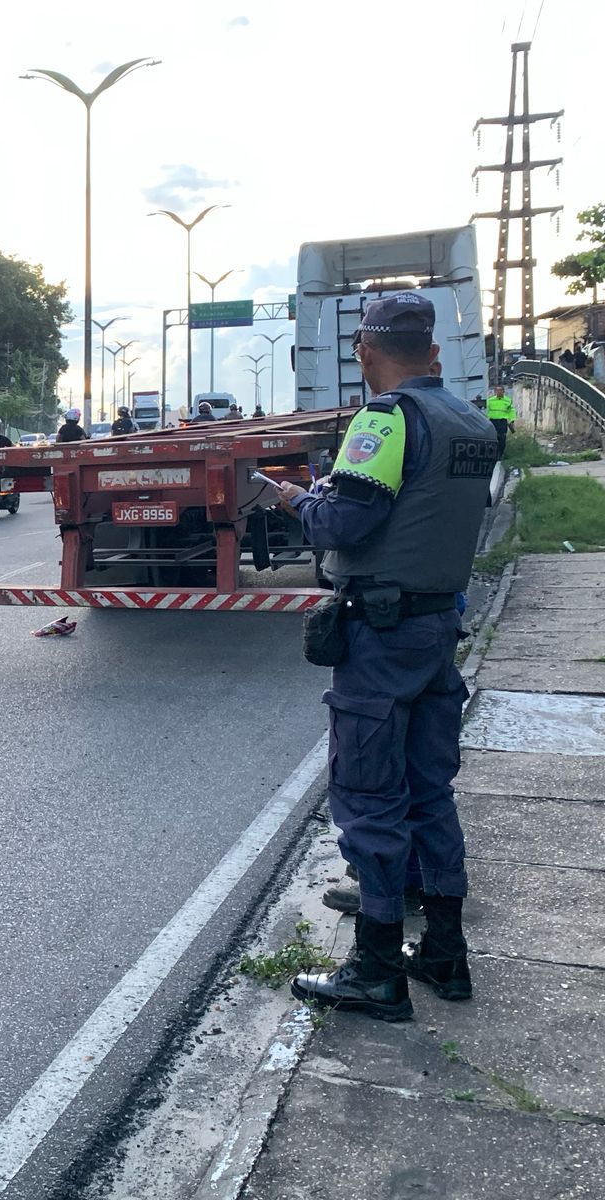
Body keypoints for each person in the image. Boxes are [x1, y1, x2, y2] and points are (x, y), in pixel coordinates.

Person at [274, 293, 498, 1021]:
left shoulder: (386, 420)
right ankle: (444, 951)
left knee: (371, 796)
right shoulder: (471, 422)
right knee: (430, 791)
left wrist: (297, 500)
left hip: (382, 633)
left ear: (365, 353)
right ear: (433, 352)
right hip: (438, 629)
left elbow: (348, 520)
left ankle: (375, 970)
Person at [484, 386, 516, 459]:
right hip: (492, 422)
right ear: (495, 392)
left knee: (502, 439)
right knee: (493, 438)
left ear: (503, 391)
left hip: (502, 422)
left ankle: (500, 455)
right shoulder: (490, 400)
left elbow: (511, 411)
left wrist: (512, 420)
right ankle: (493, 454)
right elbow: (487, 410)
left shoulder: (508, 400)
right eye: (498, 390)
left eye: (501, 390)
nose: (499, 392)